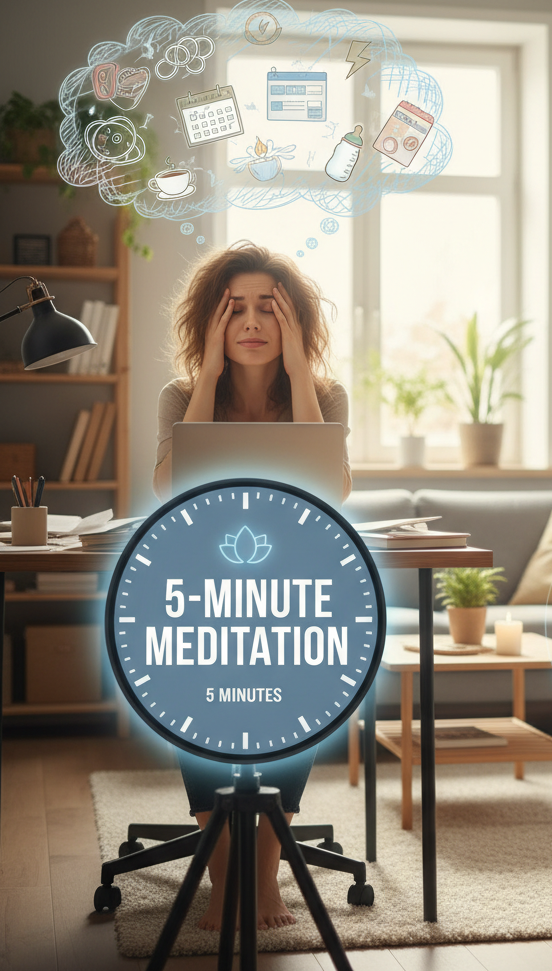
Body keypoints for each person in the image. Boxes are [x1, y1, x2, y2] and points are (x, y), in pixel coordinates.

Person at [153, 241, 352, 930]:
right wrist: (208, 377)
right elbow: (170, 488)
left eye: (269, 308)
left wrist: (299, 375)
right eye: (234, 308)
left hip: (292, 586)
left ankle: (263, 873)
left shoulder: (324, 397)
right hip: (204, 587)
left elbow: (330, 490)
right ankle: (222, 873)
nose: (251, 322)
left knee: (313, 677)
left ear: (294, 320)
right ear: (211, 321)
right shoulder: (181, 396)